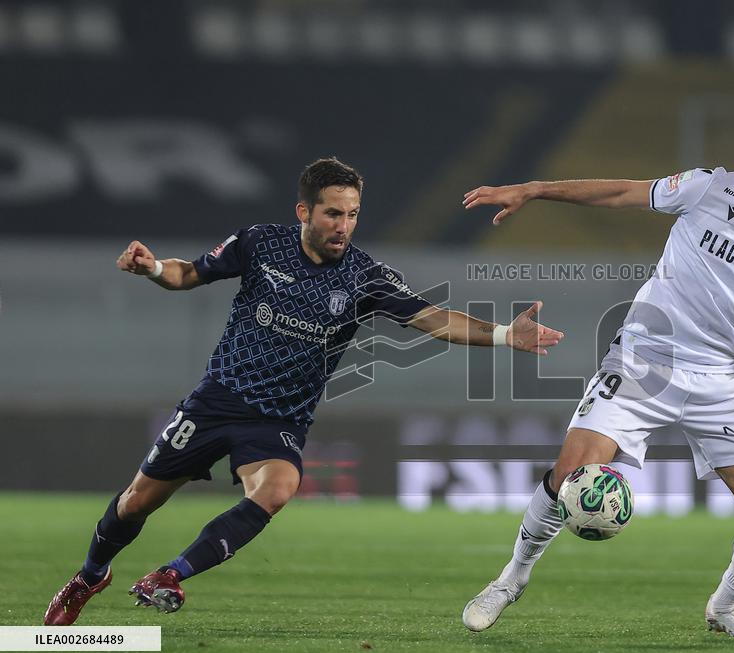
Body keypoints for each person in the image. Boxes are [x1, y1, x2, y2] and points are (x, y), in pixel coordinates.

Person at [43, 157, 564, 626]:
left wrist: (504, 334)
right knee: (135, 503)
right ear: (304, 212)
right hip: (217, 400)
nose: (344, 226)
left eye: (352, 214)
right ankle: (90, 576)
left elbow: (433, 319)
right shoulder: (259, 243)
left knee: (277, 489)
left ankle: (169, 575)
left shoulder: (365, 277)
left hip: (280, 420)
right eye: (333, 213)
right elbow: (190, 273)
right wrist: (154, 268)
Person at [460, 107, 734, 638]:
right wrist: (534, 190)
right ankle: (510, 579)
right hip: (643, 361)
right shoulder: (709, 188)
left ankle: (725, 606)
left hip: (723, 381)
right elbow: (621, 192)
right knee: (570, 475)